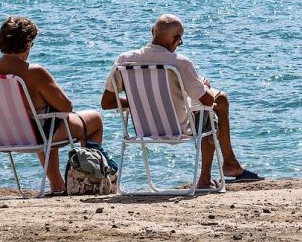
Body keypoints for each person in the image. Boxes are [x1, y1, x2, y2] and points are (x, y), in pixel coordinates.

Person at [101, 14, 263, 189]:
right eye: (180, 41)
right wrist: (204, 85)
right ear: (176, 39)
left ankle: (231, 164)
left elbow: (108, 102)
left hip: (144, 128)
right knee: (211, 111)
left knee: (219, 100)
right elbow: (207, 101)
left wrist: (140, 102)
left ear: (152, 32)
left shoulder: (124, 60)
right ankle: (207, 178)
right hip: (180, 127)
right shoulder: (179, 62)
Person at [0, 16, 104, 196]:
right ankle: (85, 180)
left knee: (44, 120)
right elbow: (66, 106)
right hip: (35, 135)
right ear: (28, 43)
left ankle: (57, 185)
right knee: (94, 120)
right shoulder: (35, 72)